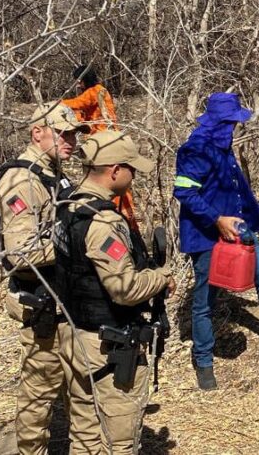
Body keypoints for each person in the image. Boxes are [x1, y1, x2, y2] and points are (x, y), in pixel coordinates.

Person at [53, 130, 175, 453]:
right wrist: (161, 278)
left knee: (84, 435)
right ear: (115, 170)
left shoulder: (67, 205)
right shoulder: (103, 222)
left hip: (73, 336)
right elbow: (125, 288)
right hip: (106, 347)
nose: (134, 175)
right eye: (131, 168)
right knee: (120, 442)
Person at [173, 92, 259, 391]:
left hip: (239, 228)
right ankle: (203, 359)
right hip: (206, 235)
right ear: (218, 121)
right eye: (230, 122)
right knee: (205, 299)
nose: (233, 128)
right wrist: (216, 219)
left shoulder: (224, 144)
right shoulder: (196, 148)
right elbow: (184, 191)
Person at [0, 102, 88, 454]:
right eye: (63, 134)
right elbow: (20, 253)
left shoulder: (52, 173)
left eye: (74, 135)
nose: (71, 141)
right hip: (41, 304)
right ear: (37, 133)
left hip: (65, 300)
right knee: (38, 395)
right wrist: (79, 245)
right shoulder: (23, 179)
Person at [61, 65, 140, 232]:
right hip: (108, 140)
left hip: (104, 144)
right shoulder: (99, 91)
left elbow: (78, 103)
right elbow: (83, 113)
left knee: (109, 185)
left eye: (80, 81)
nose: (78, 84)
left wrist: (57, 104)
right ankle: (128, 223)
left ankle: (123, 222)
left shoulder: (94, 91)